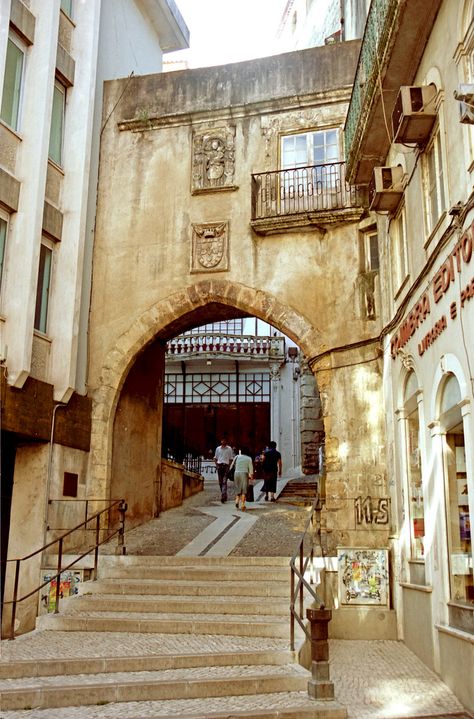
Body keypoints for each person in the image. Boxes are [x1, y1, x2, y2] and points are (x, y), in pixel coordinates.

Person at [229, 447, 253, 512]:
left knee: (238, 488)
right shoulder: (249, 458)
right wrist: (251, 477)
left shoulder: (236, 457)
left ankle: (237, 501)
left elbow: (231, 466)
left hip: (236, 474)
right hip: (244, 474)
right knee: (244, 490)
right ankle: (242, 504)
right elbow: (251, 469)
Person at [213, 438, 234, 503]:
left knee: (224, 481)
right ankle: (224, 494)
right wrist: (217, 465)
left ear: (226, 441)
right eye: (222, 440)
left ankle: (223, 495)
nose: (223, 441)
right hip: (220, 466)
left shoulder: (229, 449)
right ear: (221, 441)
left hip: (226, 466)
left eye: (224, 440)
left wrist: (229, 466)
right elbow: (215, 458)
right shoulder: (218, 449)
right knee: (220, 482)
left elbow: (231, 458)